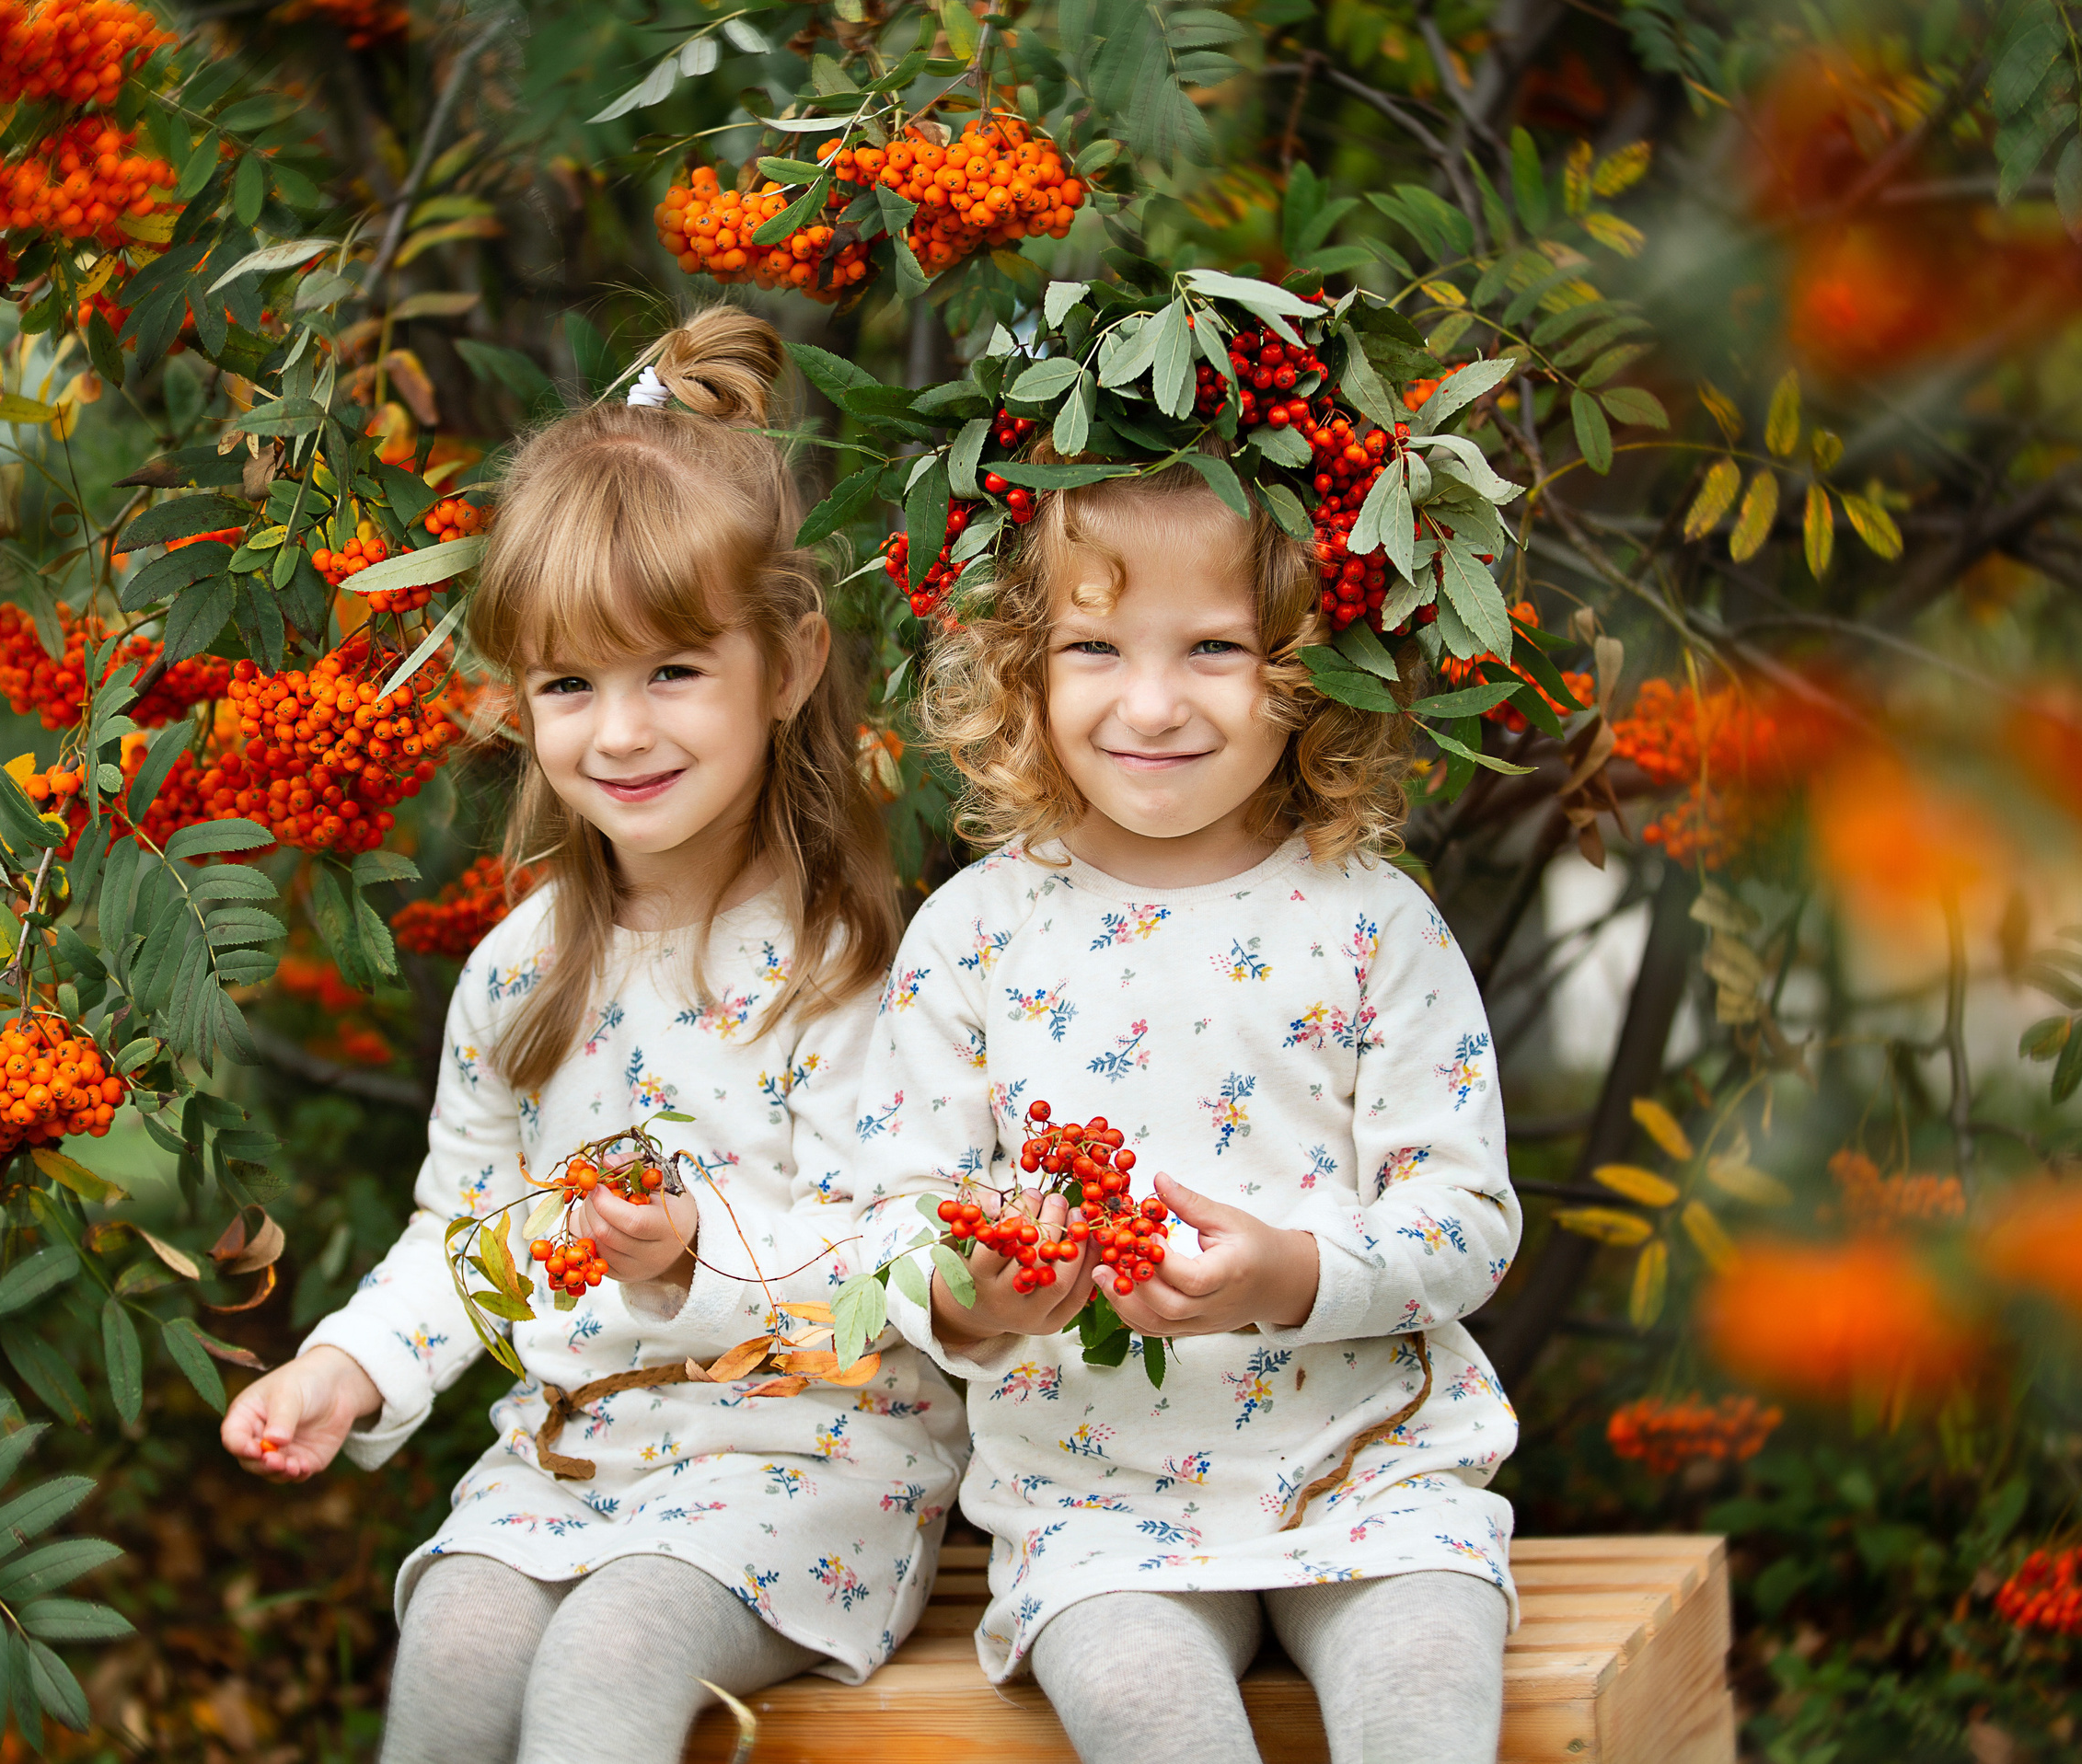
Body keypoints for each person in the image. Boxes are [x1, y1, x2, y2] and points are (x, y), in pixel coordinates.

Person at [220, 309, 966, 1764]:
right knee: (455, 1638)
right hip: (577, 1451)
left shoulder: (856, 968)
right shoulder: (521, 969)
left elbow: (904, 1256)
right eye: (570, 684)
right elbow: (469, 1233)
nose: (617, 732)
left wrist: (699, 1251)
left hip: (810, 1458)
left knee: (608, 1656)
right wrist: (349, 1364)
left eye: (672, 670)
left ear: (791, 660)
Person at [851, 458, 1520, 1764]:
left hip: (1369, 1465)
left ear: (1312, 667)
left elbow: (1470, 1218)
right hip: (1100, 1499)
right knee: (1152, 1714)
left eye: (1214, 646)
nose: (1150, 702)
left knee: (1428, 1688)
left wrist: (1294, 1272)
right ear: (1021, 665)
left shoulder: (1370, 919)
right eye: (1094, 644)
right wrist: (973, 1294)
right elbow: (888, 1218)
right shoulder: (976, 933)